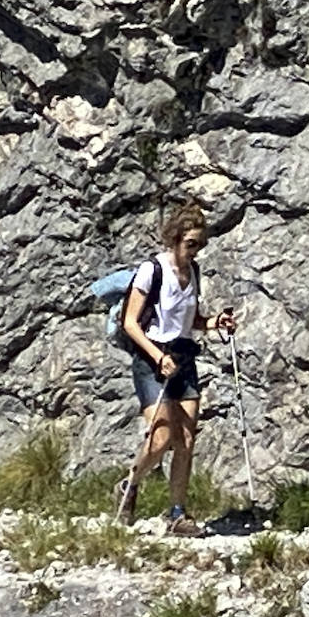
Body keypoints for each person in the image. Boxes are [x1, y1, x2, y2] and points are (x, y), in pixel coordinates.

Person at [115, 204, 236, 536]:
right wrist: (156, 357)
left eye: (200, 244)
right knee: (161, 436)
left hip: (183, 356)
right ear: (175, 239)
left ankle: (177, 514)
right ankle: (129, 483)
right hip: (151, 356)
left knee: (186, 438)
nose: (196, 250)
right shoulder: (152, 270)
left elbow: (190, 320)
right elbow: (130, 322)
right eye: (191, 243)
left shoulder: (193, 272)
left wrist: (214, 323)